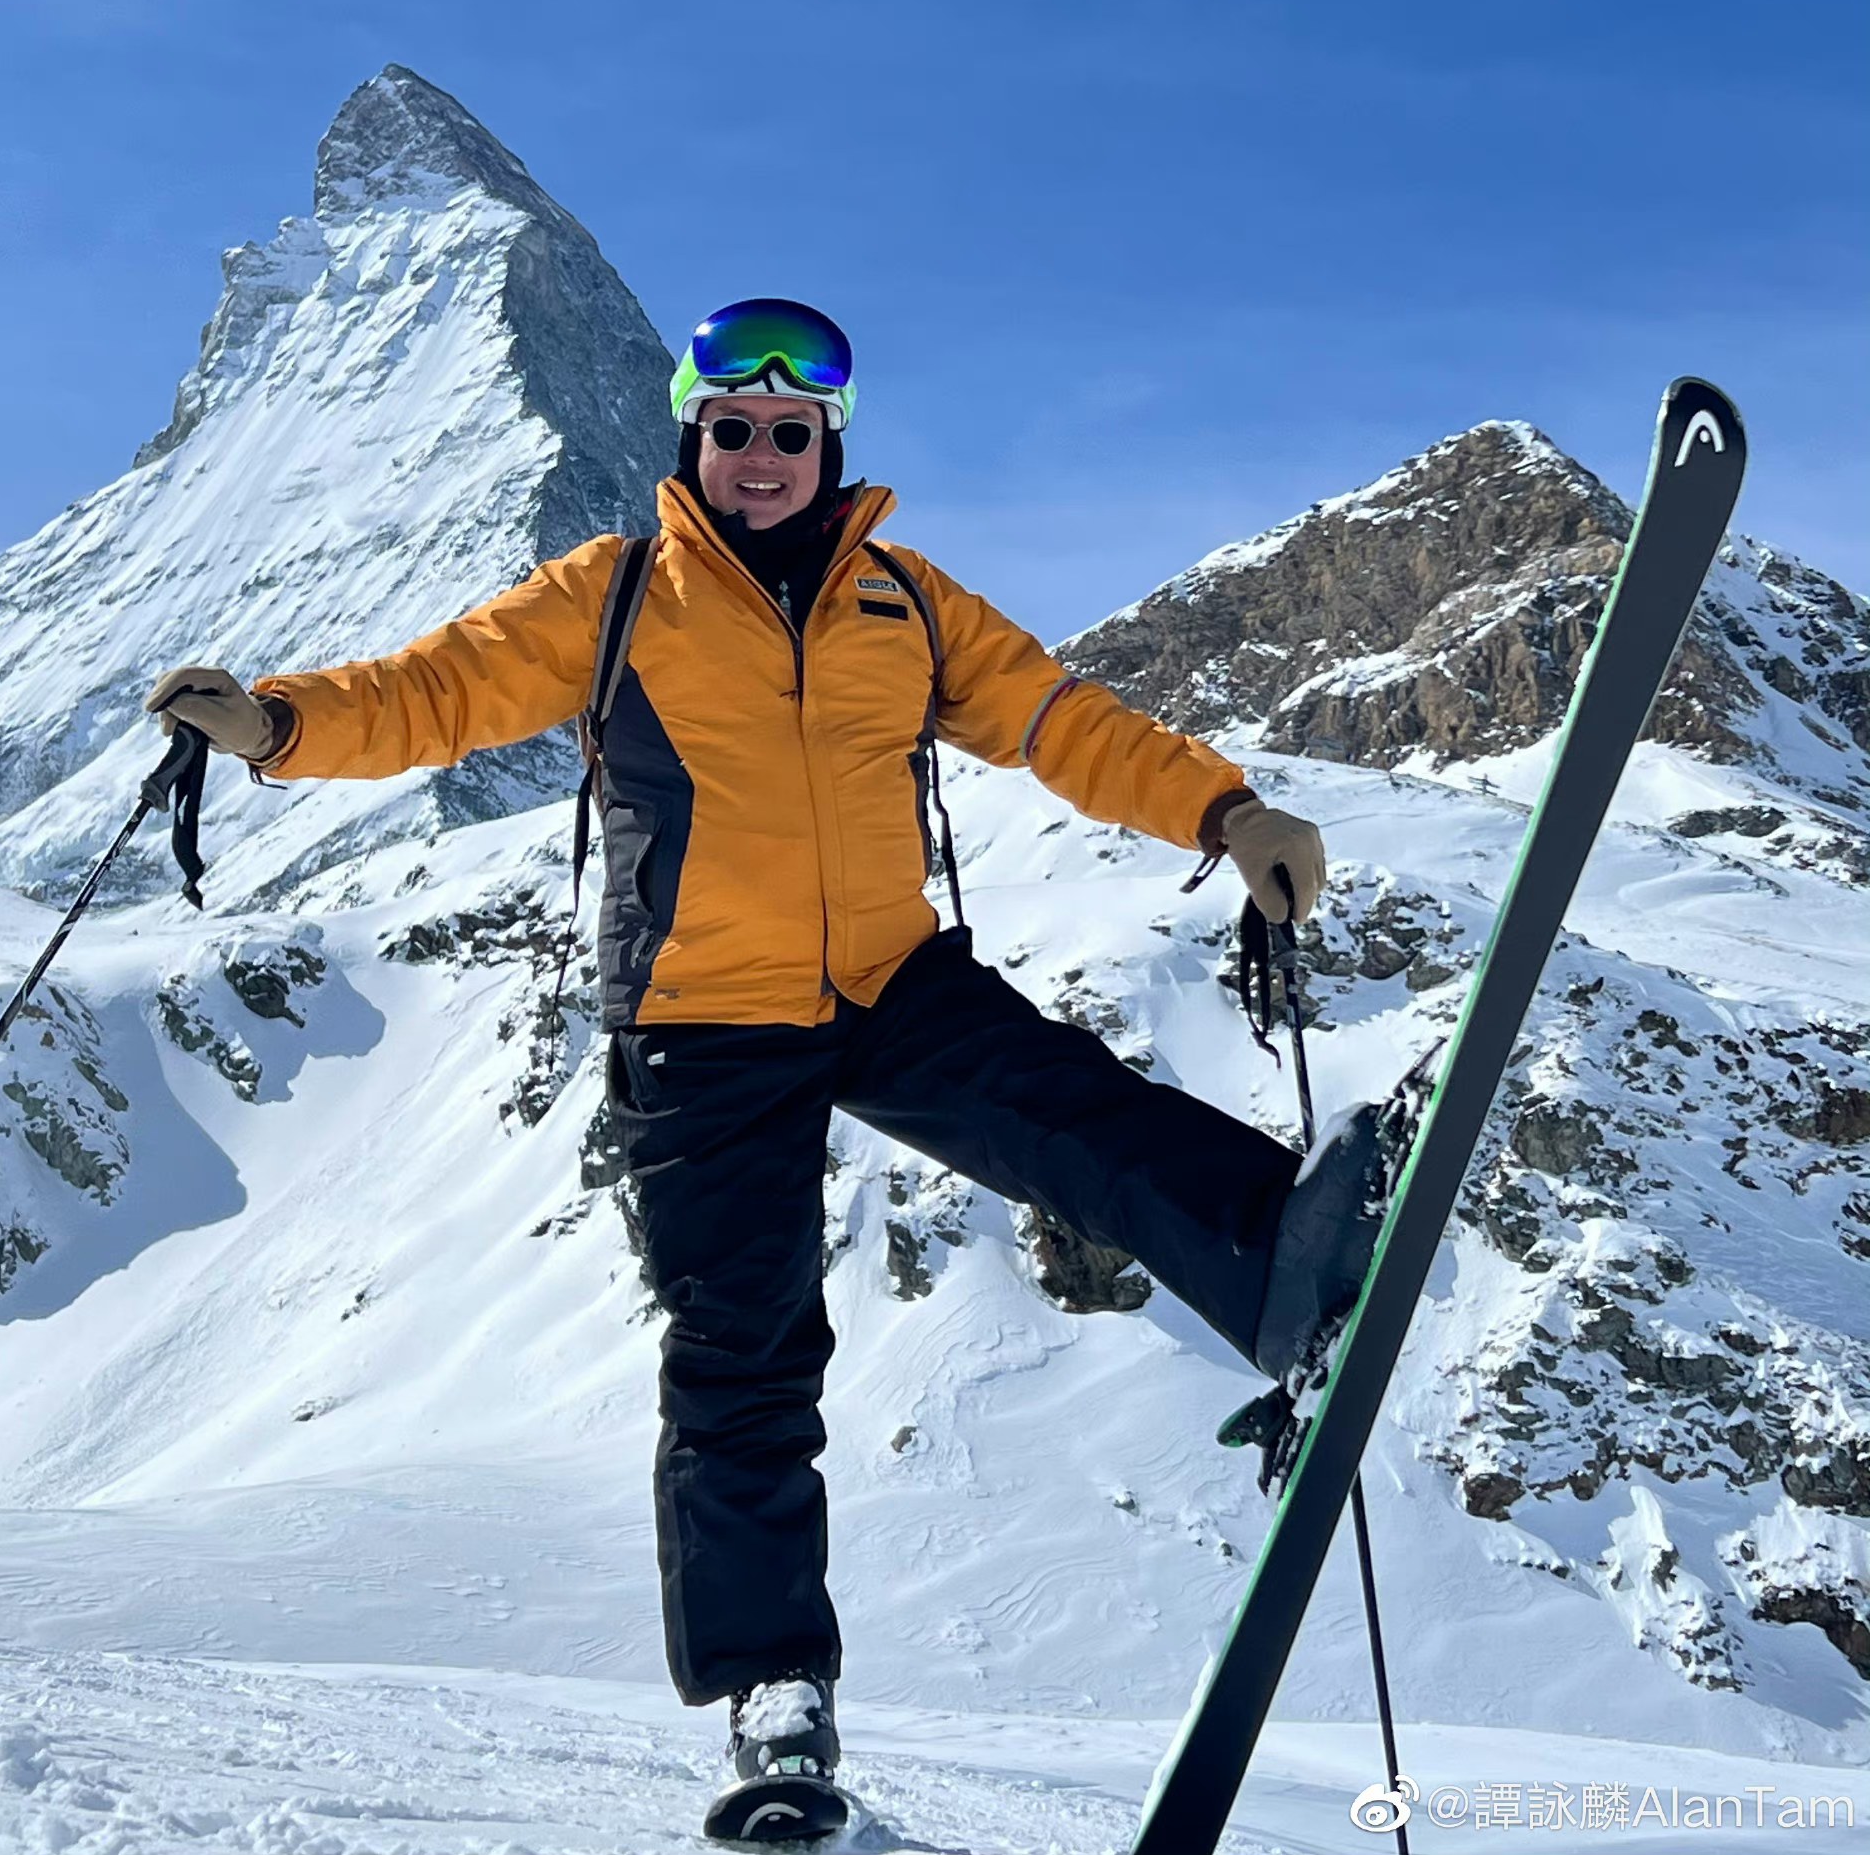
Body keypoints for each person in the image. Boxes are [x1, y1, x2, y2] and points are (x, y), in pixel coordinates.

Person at [147, 296, 1382, 1843]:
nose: (763, 456)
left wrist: (1226, 812)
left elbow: (1061, 721)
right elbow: (434, 691)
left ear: (828, 445)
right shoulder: (610, 598)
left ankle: (1286, 1269)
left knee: (1069, 1108)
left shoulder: (905, 603)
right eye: (734, 431)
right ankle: (776, 1705)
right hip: (699, 1013)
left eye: (791, 434)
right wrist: (276, 726)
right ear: (695, 437)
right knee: (742, 1359)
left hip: (882, 975)